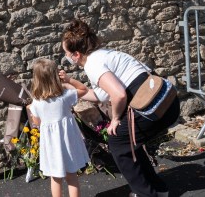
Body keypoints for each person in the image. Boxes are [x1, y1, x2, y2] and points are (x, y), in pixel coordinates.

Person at [59, 18, 180, 197]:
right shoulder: (105, 54)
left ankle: (148, 194)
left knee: (118, 143)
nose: (66, 57)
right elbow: (100, 95)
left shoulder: (93, 64)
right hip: (167, 102)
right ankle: (158, 190)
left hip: (152, 108)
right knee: (130, 143)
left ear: (76, 54)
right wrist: (70, 86)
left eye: (67, 53)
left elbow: (119, 94)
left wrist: (115, 120)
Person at [28, 58, 91, 197]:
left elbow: (38, 123)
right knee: (72, 177)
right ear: (55, 76)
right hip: (68, 142)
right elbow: (83, 89)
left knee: (55, 178)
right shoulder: (65, 95)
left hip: (51, 145)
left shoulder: (36, 102)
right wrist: (68, 80)